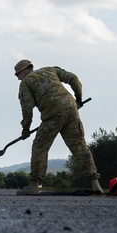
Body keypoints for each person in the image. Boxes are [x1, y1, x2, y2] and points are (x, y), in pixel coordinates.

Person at [13, 59, 103, 196]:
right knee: (79, 146)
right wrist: (78, 99)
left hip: (52, 114)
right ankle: (95, 183)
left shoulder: (26, 83)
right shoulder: (50, 70)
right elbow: (74, 78)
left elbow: (27, 109)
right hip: (71, 109)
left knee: (40, 146)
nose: (18, 78)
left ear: (24, 71)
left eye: (17, 75)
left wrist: (26, 128)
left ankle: (34, 185)